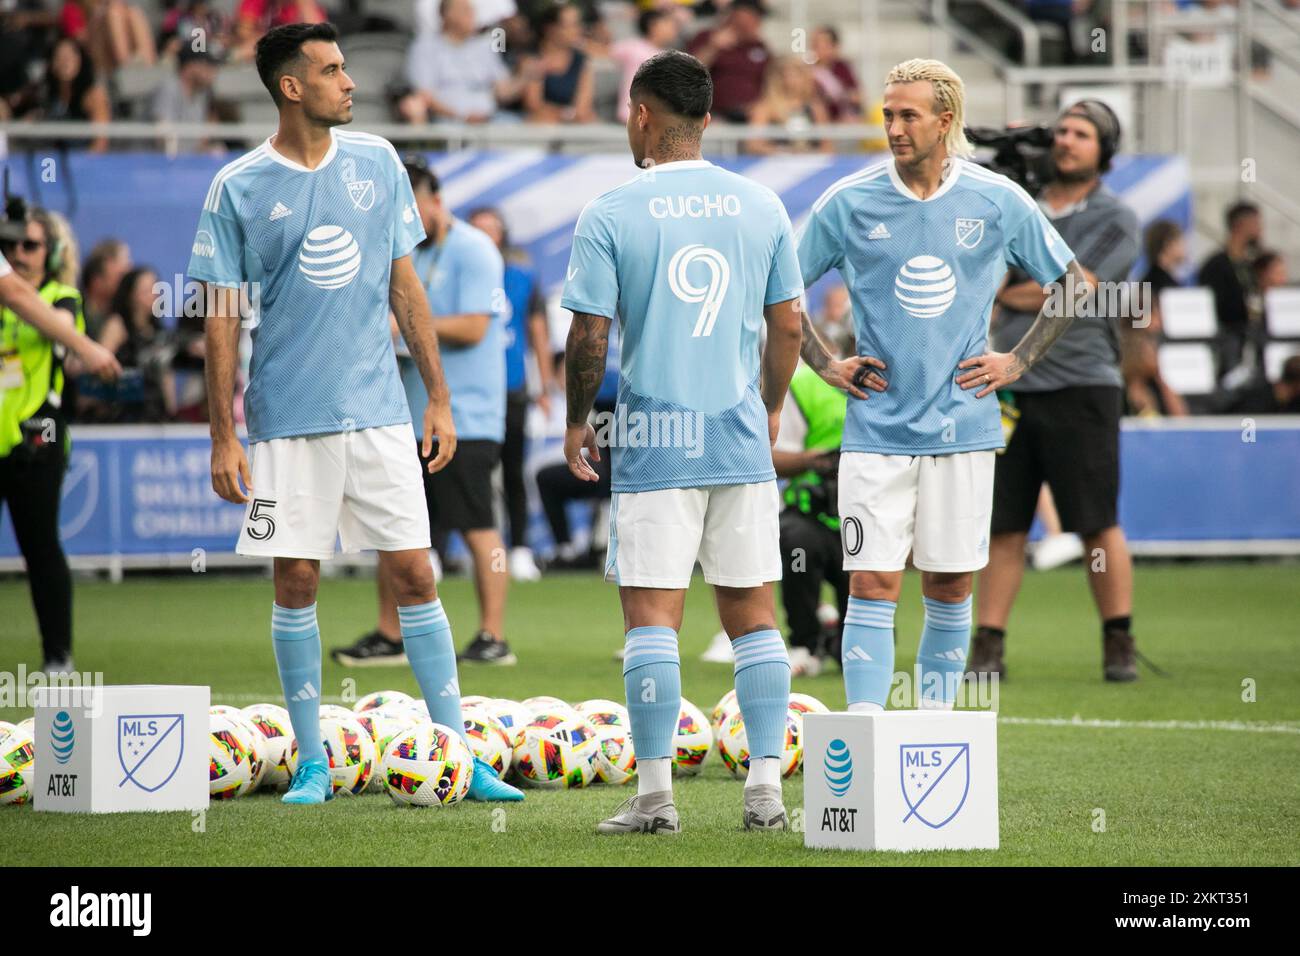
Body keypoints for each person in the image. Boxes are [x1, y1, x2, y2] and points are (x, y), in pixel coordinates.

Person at [189, 21, 521, 805]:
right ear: (291, 86)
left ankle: (459, 755)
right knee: (297, 579)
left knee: (415, 570)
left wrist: (437, 398)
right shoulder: (236, 186)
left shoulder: (378, 163)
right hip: (284, 421)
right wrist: (222, 435)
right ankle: (311, 760)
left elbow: (406, 289)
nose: (350, 81)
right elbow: (221, 317)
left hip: (378, 411)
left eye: (347, 67)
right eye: (333, 71)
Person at [561, 50, 804, 834]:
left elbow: (590, 335)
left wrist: (576, 421)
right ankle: (765, 790)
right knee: (754, 616)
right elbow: (791, 323)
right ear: (705, 118)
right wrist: (769, 408)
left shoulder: (610, 211)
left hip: (654, 438)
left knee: (652, 619)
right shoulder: (761, 205)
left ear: (641, 114)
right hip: (737, 437)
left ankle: (658, 798)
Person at [796, 58, 1087, 713]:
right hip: (875, 429)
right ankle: (867, 732)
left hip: (964, 427)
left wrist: (1015, 361)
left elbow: (1076, 288)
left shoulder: (996, 198)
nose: (894, 128)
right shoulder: (847, 202)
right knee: (871, 581)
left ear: (945, 120)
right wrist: (824, 363)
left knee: (952, 584)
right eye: (888, 115)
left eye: (908, 115)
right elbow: (781, 293)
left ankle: (933, 730)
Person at [972, 99, 1144, 683]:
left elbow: (1077, 291)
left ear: (1104, 152)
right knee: (1004, 522)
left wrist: (1009, 291)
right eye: (1062, 132)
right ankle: (988, 646)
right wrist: (1029, 287)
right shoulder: (1015, 204)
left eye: (1081, 134)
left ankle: (1118, 639)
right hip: (1008, 382)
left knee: (1096, 521)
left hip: (1082, 381)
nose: (1066, 141)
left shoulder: (1116, 216)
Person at [333, 160, 517, 668]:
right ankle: (390, 636)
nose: (407, 222)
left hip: (468, 416)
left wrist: (405, 325)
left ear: (436, 199)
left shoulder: (475, 249)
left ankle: (492, 636)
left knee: (479, 527)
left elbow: (477, 327)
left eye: (414, 209)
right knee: (393, 529)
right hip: (404, 416)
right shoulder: (401, 248)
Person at [0, 212, 120, 674]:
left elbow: (62, 334)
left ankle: (58, 657)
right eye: (10, 246)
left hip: (37, 437)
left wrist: (86, 350)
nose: (18, 254)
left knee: (41, 547)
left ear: (50, 253)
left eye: (30, 246)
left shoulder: (60, 298)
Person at [468, 206, 553, 581]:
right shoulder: (459, 273)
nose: (487, 237)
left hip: (512, 389)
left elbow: (537, 331)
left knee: (514, 473)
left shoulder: (520, 277)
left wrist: (545, 387)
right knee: (471, 475)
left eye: (493, 230)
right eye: (478, 230)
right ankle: (472, 554)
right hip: (468, 392)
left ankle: (518, 550)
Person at [773, 361, 849, 677]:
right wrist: (818, 460)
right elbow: (774, 456)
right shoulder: (805, 385)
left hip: (865, 513)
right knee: (798, 546)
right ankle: (804, 640)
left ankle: (840, 637)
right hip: (812, 511)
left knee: (854, 653)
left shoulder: (898, 385)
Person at [400, 0, 531, 124]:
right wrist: (462, 117)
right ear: (447, 15)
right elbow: (425, 95)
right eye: (465, 11)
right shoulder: (425, 47)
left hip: (491, 121)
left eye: (472, 10)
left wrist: (524, 75)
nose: (472, 15)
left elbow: (503, 91)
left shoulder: (484, 47)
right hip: (448, 123)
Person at [1198, 202, 1262, 380]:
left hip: (1252, 335)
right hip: (1228, 339)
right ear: (1242, 224)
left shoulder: (1251, 265)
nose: (1260, 229)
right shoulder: (1216, 266)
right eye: (1256, 223)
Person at [687, 0, 770, 122]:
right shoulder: (708, 37)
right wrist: (712, 47)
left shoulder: (759, 46)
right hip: (713, 115)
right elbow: (688, 72)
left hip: (750, 116)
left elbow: (769, 82)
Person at [522, 2, 595, 124]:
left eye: (578, 24)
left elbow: (583, 107)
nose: (577, 30)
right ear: (550, 29)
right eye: (570, 25)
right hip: (540, 125)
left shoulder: (581, 61)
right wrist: (568, 114)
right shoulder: (533, 59)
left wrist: (566, 115)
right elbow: (533, 104)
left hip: (571, 125)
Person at [744, 56, 832, 155]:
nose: (792, 81)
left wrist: (808, 156)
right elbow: (754, 144)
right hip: (775, 163)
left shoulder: (816, 107)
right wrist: (784, 153)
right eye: (787, 76)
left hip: (812, 163)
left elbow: (827, 146)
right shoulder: (765, 107)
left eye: (797, 76)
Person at [610, 9, 680, 122]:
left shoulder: (670, 57)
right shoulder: (633, 47)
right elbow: (606, 52)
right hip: (631, 115)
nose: (674, 28)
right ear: (653, 25)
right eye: (668, 23)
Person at [810, 26, 861, 122]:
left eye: (824, 45)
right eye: (815, 44)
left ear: (834, 46)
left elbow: (858, 96)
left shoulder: (842, 67)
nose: (819, 49)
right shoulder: (808, 70)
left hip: (842, 118)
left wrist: (841, 95)